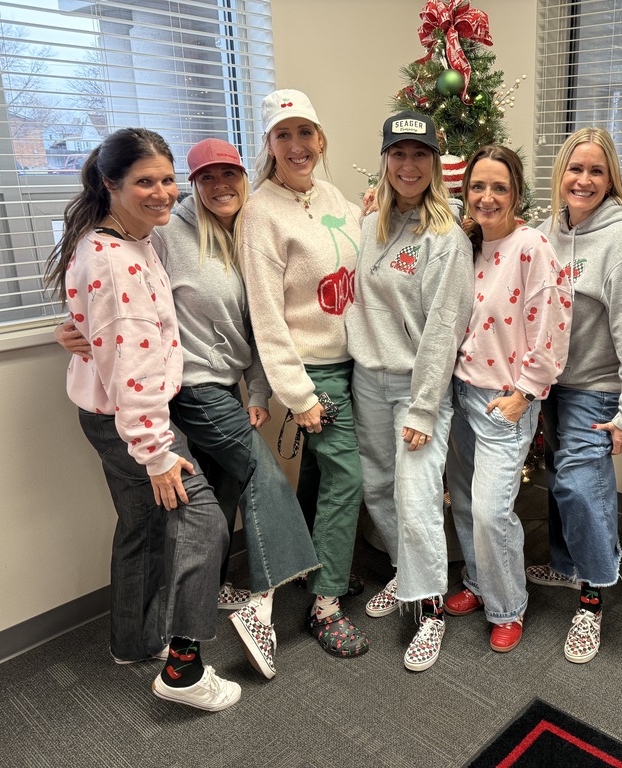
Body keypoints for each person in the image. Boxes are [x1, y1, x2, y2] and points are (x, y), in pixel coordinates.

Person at [55, 138, 321, 680]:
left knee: (154, 523)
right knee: (248, 484)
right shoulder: (165, 233)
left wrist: (254, 393)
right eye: (204, 178)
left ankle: (134, 639)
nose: (220, 185)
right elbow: (116, 313)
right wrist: (154, 450)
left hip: (201, 394)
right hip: (179, 395)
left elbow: (257, 328)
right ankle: (249, 612)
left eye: (230, 175)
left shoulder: (241, 232)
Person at [44, 128, 240, 711]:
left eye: (166, 179)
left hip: (109, 415)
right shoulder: (117, 261)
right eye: (145, 182)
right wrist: (156, 454)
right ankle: (183, 668)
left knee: (142, 529)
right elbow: (131, 364)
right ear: (111, 185)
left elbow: (102, 330)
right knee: (204, 523)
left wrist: (73, 330)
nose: (163, 194)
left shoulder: (120, 238)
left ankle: (133, 641)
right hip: (131, 424)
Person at [240, 89, 369, 658]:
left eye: (305, 133)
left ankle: (321, 564)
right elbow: (267, 318)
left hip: (353, 360)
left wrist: (372, 210)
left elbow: (356, 255)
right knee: (347, 480)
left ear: (321, 139)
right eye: (283, 135)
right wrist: (298, 395)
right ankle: (326, 604)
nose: (297, 145)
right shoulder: (261, 213)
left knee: (319, 477)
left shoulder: (331, 195)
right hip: (313, 373)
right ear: (268, 145)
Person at [526, 127, 622, 663]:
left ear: (611, 181)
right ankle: (565, 565)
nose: (583, 180)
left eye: (596, 171)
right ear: (560, 175)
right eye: (574, 169)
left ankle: (592, 596)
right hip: (552, 384)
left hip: (597, 389)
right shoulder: (549, 230)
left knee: (583, 487)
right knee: (561, 480)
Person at [347, 111, 474, 672]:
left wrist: (425, 405)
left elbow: (445, 326)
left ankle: (430, 611)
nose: (408, 164)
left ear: (433, 164)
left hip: (414, 389)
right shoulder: (369, 224)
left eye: (419, 154)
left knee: (417, 497)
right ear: (385, 159)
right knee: (378, 488)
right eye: (398, 154)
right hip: (366, 380)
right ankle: (406, 576)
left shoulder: (445, 238)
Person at [444, 146, 572, 653]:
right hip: (461, 392)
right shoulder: (464, 245)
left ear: (516, 193)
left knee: (493, 512)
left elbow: (555, 326)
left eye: (499, 187)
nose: (487, 197)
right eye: (478, 187)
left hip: (505, 400)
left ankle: (507, 606)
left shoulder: (532, 247)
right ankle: (479, 584)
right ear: (465, 192)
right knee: (467, 501)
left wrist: (526, 392)